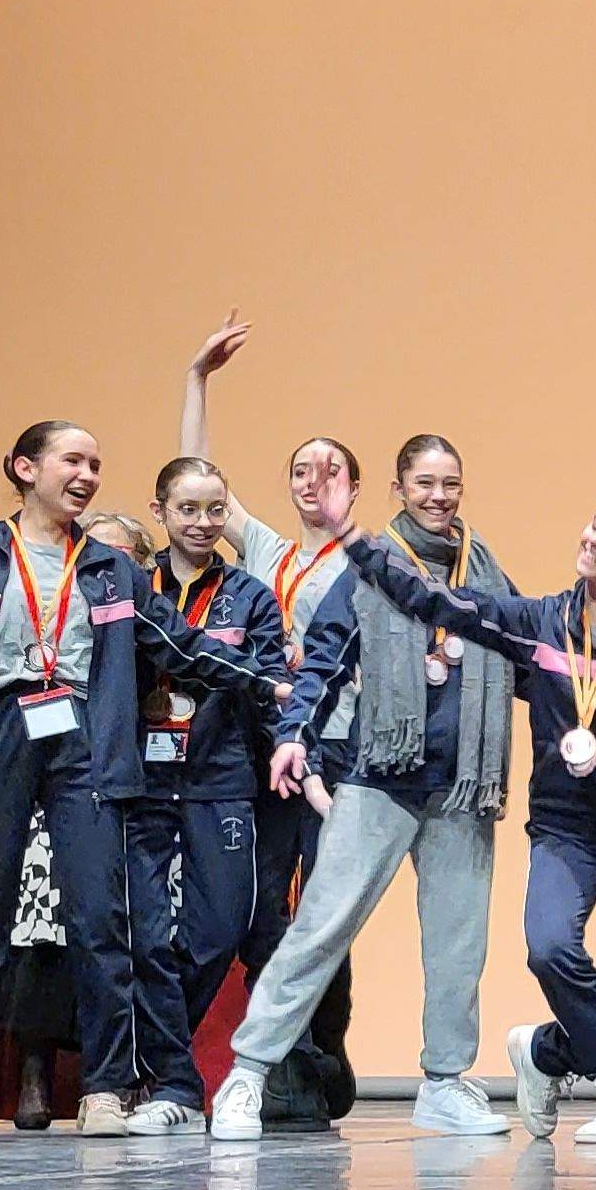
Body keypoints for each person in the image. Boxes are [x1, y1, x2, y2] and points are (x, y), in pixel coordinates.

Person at [299, 472, 596, 1144]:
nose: (594, 539)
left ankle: (547, 1053)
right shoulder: (537, 621)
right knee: (551, 948)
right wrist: (349, 534)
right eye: (594, 524)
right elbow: (425, 595)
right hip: (569, 829)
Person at [0, 422, 259, 1139]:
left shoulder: (111, 569)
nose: (86, 475)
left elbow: (181, 644)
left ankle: (108, 1088)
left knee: (99, 918)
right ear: (25, 468)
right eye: (72, 461)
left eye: (95, 463)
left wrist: (265, 685)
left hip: (86, 734)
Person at [216, 433, 520, 1139]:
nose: (439, 496)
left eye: (451, 483)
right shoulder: (370, 568)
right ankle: (248, 1073)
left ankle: (445, 1082)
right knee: (319, 929)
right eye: (425, 483)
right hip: (380, 775)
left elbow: (523, 654)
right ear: (399, 489)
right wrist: (294, 735)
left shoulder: (489, 576)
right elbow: (323, 659)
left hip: (460, 788)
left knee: (457, 944)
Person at [174, 314, 359, 1127]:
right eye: (299, 468)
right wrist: (197, 381)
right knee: (267, 911)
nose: (312, 479)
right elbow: (196, 475)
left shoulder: (369, 558)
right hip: (263, 753)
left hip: (337, 749)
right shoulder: (267, 554)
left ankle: (324, 1047)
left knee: (327, 902)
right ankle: (279, 1064)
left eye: (330, 468)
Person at [105, 458, 289, 1136]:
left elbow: (273, 688)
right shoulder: (129, 589)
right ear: (160, 513)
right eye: (188, 509)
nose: (203, 523)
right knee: (148, 935)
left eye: (215, 510)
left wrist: (302, 762)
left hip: (221, 779)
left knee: (219, 932)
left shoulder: (250, 597)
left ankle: (150, 1056)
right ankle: (176, 1085)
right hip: (142, 781)